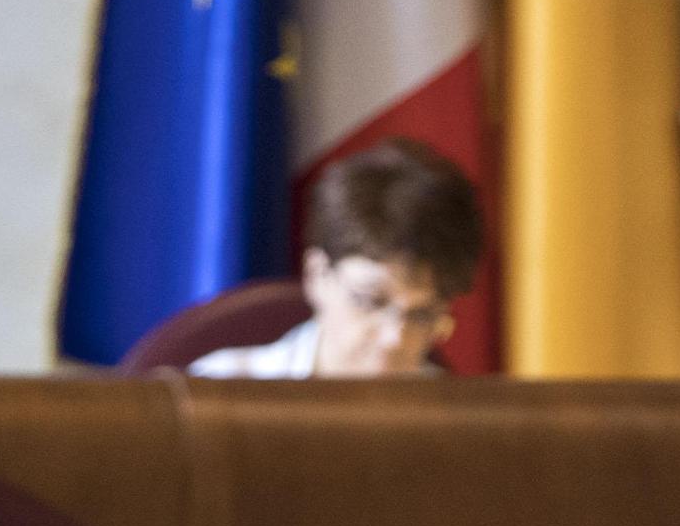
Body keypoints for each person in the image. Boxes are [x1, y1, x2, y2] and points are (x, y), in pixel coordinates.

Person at [191, 138, 485, 377]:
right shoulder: (213, 397)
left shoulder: (462, 429)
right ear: (317, 274)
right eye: (371, 301)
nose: (395, 338)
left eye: (422, 315)